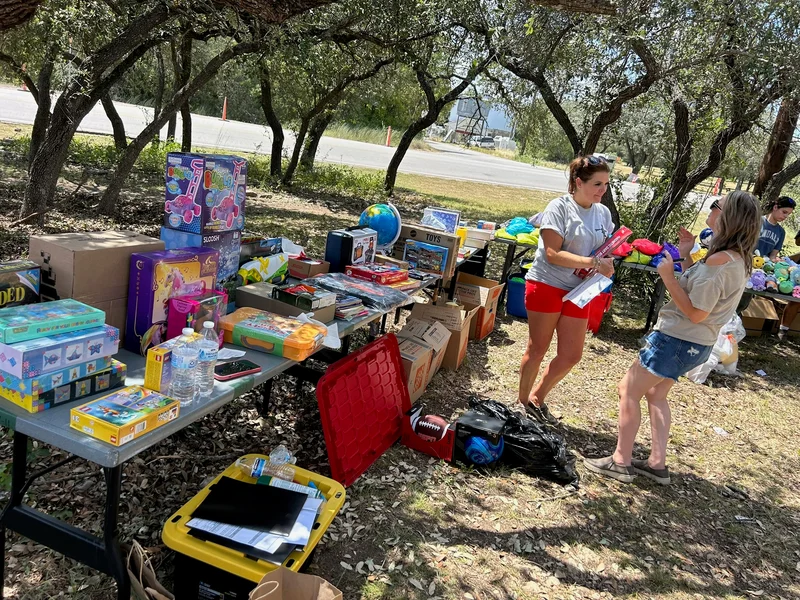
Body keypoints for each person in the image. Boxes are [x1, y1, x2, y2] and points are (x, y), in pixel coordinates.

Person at [584, 191, 761, 484]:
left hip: (677, 338)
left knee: (628, 390)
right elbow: (699, 290)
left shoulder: (719, 261)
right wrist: (688, 254)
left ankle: (620, 461)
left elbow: (696, 312)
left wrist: (667, 275)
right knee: (656, 394)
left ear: (729, 217)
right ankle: (656, 464)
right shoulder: (734, 258)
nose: (712, 208)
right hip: (696, 343)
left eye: (718, 206)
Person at [518, 156, 616, 424]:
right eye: (597, 184)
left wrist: (607, 262)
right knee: (538, 348)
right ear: (578, 182)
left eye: (606, 184)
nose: (602, 191)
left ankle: (537, 398)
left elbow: (604, 249)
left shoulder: (603, 213)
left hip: (579, 290)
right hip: (547, 283)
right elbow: (552, 254)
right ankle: (521, 403)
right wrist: (594, 262)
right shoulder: (558, 207)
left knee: (572, 355)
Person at [757, 195, 795, 260]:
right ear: (775, 207)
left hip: (763, 265)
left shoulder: (781, 232)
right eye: (784, 212)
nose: (786, 216)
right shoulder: (756, 221)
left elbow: (773, 256)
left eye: (788, 214)